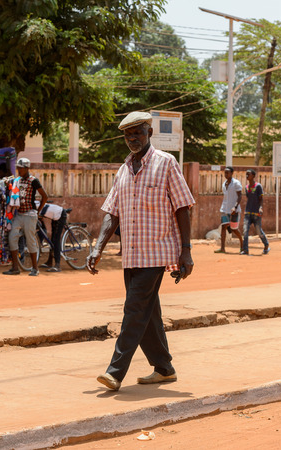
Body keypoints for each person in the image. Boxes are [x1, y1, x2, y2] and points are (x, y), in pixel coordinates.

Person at [87, 111, 195, 391]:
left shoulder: (165, 163)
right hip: (132, 255)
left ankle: (115, 371)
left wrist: (186, 251)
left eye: (137, 132)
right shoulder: (123, 170)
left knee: (134, 309)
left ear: (149, 132)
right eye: (127, 134)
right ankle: (164, 368)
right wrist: (97, 248)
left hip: (157, 253)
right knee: (147, 313)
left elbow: (183, 207)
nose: (132, 138)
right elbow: (112, 212)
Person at [3, 157, 48, 276]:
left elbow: (45, 196)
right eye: (18, 168)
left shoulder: (34, 181)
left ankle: (35, 269)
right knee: (12, 237)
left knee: (30, 240)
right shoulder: (17, 180)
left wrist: (38, 212)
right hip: (19, 214)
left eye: (21, 168)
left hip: (30, 214)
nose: (19, 170)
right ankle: (15, 268)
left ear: (27, 168)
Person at [240, 169, 270, 255]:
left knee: (258, 231)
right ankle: (245, 250)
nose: (247, 176)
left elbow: (261, 199)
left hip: (256, 213)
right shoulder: (246, 187)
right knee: (245, 231)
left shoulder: (258, 186)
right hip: (248, 212)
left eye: (248, 174)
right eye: (246, 174)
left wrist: (260, 208)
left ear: (253, 176)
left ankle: (266, 245)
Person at [214, 166, 243, 254]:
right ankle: (222, 248)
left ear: (231, 173)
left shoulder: (236, 183)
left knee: (234, 229)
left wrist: (235, 206)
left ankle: (242, 245)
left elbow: (240, 196)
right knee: (223, 227)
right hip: (224, 209)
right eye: (225, 172)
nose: (226, 174)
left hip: (234, 210)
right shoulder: (224, 184)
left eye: (227, 172)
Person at [37, 202, 67, 272]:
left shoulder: (35, 208)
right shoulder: (35, 206)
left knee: (55, 240)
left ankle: (57, 265)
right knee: (52, 240)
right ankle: (49, 262)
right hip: (55, 216)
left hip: (60, 215)